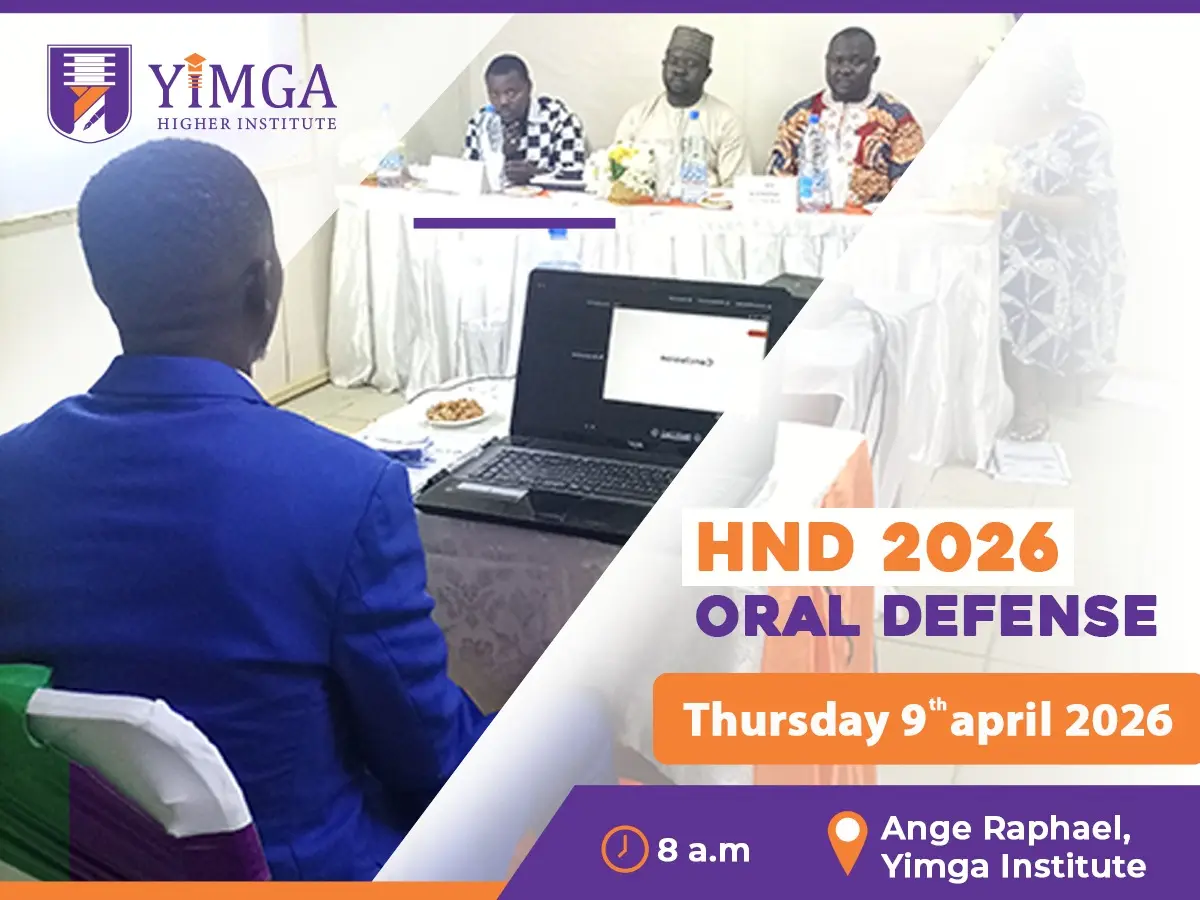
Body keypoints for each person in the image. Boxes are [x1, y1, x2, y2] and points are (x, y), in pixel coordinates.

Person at [0, 139, 494, 881]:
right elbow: (430, 758)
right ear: (264, 287)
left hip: (77, 864)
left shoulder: (10, 472)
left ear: (107, 291)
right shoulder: (347, 491)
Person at [998, 53, 1125, 440]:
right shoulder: (1011, 124)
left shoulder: (1086, 130)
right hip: (1009, 234)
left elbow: (1088, 207)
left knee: (1020, 277)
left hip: (1069, 246)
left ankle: (1030, 405)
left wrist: (1022, 202)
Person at [766, 27, 925, 208]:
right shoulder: (799, 116)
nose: (845, 70)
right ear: (826, 62)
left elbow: (911, 192)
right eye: (837, 61)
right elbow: (776, 186)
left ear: (875, 65)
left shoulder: (898, 119)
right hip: (808, 220)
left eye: (856, 62)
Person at [613, 25, 751, 188]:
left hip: (705, 203)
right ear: (664, 65)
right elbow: (616, 176)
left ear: (707, 74)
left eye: (691, 64)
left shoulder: (726, 121)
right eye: (673, 62)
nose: (679, 70)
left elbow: (737, 187)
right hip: (647, 202)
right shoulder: (637, 116)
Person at [463, 54, 587, 186]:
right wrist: (499, 155)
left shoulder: (557, 118)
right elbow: (467, 175)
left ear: (529, 87)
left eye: (510, 93)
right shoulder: (480, 122)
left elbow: (574, 174)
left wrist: (535, 174)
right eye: (494, 94)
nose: (503, 101)